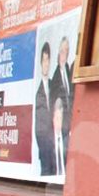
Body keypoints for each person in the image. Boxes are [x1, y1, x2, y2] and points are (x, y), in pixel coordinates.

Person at [34, 42, 57, 175]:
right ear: (41, 63)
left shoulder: (53, 84)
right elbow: (39, 125)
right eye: (44, 60)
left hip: (55, 142)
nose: (46, 63)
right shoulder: (38, 92)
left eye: (48, 59)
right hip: (45, 145)